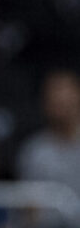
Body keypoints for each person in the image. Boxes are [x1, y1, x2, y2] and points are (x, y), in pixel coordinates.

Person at [17, 68, 80, 197]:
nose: (61, 102)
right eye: (55, 100)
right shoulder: (34, 151)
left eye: (66, 100)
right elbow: (29, 202)